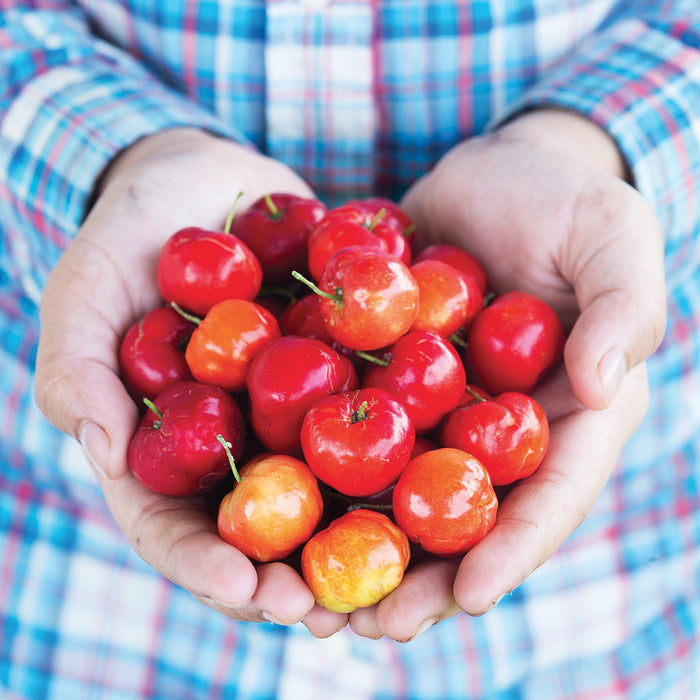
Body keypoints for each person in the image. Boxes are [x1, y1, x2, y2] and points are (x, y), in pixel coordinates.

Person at [1, 0, 698, 697]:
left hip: (600, 610)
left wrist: (579, 144)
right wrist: (124, 154)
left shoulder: (384, 341)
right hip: (91, 597)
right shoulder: (296, 344)